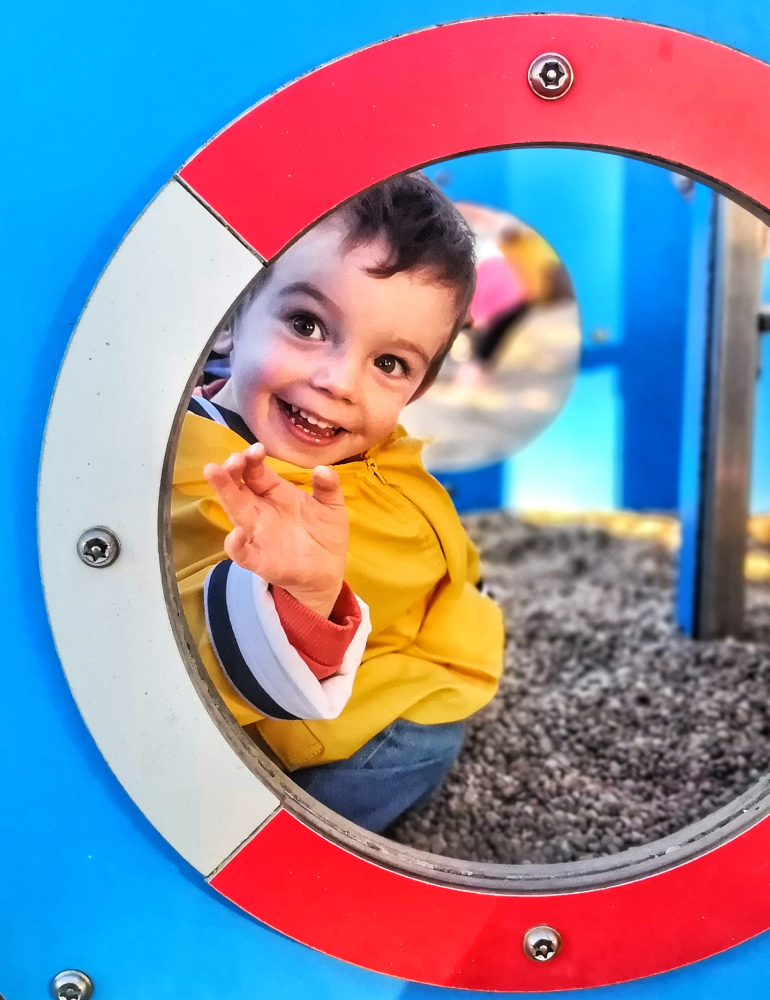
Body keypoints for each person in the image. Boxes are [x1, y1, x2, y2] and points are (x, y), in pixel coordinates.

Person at [171, 173, 505, 834]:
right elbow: (204, 675)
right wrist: (306, 597)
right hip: (328, 707)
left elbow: (425, 516)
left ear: (417, 386)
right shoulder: (209, 481)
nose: (338, 382)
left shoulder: (376, 448)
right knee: (416, 749)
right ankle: (274, 855)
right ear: (231, 318)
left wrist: (467, 578)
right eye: (307, 324)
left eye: (390, 364)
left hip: (431, 635)